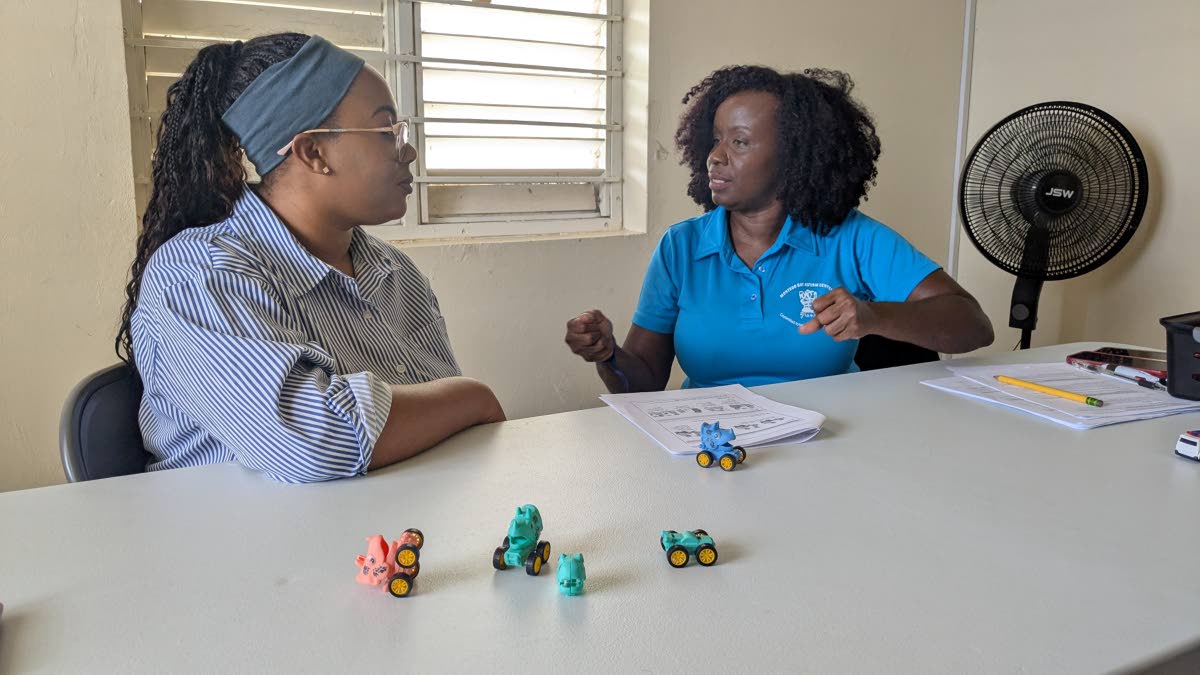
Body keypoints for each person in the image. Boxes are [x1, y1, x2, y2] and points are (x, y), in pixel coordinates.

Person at [116, 33, 503, 483]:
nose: (409, 151)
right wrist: (471, 398)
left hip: (394, 532)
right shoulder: (200, 275)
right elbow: (314, 442)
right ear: (313, 152)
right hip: (246, 543)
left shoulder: (394, 272)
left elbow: (451, 435)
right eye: (387, 133)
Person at [565, 65, 993, 392]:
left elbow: (972, 324)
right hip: (710, 447)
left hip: (830, 442)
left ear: (796, 157)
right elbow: (642, 383)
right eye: (715, 139)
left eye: (739, 141)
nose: (715, 155)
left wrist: (872, 315)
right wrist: (607, 355)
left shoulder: (850, 237)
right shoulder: (681, 247)